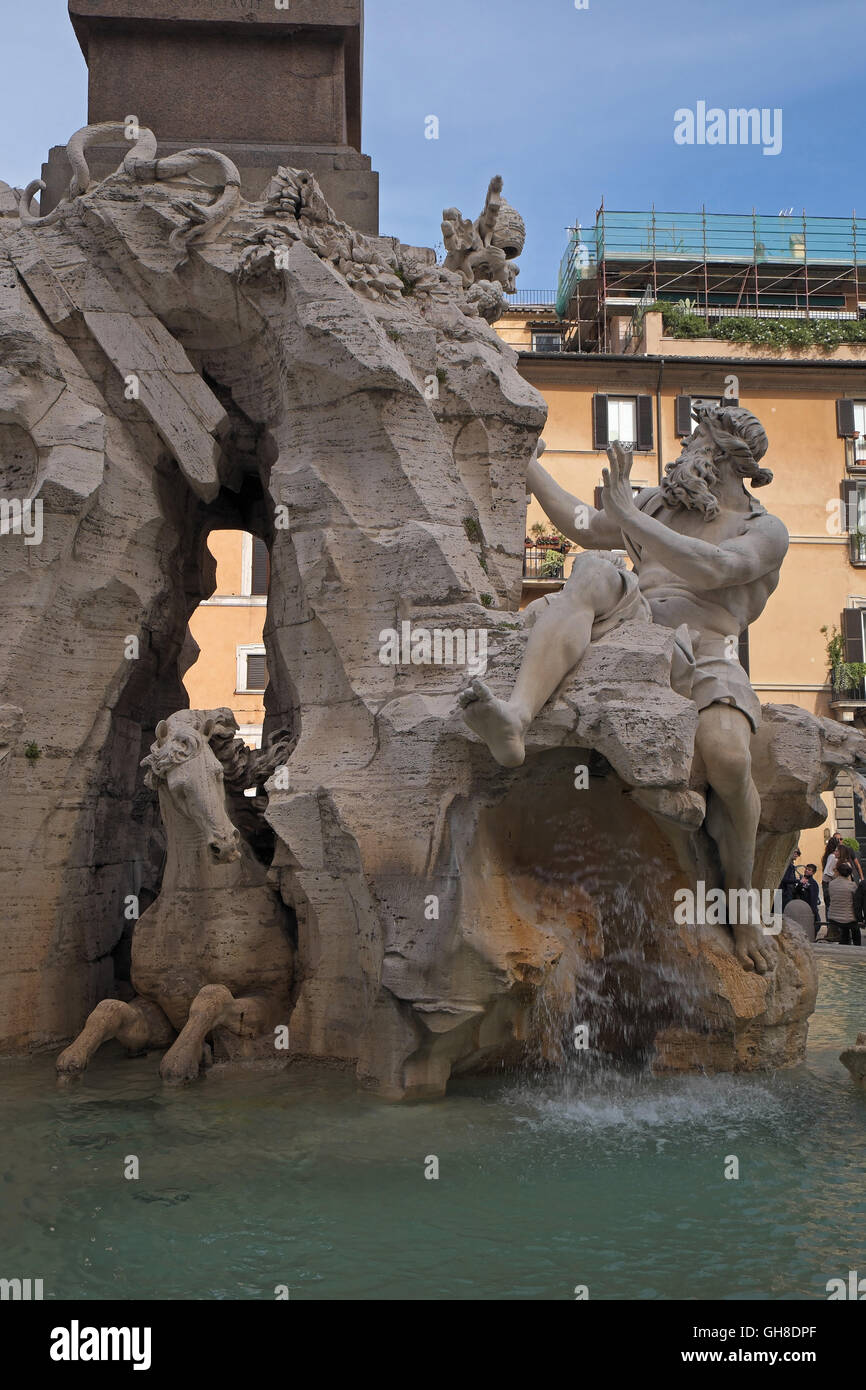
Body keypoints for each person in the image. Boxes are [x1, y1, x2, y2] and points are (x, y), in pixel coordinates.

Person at [460, 404, 788, 975]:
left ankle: (741, 903)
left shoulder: (762, 530)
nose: (682, 453)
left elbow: (713, 569)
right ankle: (515, 716)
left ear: (726, 458)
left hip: (709, 649)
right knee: (590, 569)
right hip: (638, 622)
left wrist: (631, 520)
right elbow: (584, 523)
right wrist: (529, 467)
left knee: (730, 760)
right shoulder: (662, 506)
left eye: (694, 444)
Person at [827, 862, 860, 946]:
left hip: (833, 916)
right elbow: (856, 901)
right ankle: (857, 948)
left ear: (838, 872)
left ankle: (844, 944)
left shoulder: (831, 884)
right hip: (848, 918)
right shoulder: (852, 885)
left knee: (845, 931)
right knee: (855, 931)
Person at [792, 864, 821, 939]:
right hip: (800, 908)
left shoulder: (813, 883)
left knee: (816, 924)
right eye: (806, 869)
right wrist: (800, 883)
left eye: (809, 870)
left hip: (809, 908)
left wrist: (812, 910)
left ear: (813, 873)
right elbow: (796, 891)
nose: (806, 871)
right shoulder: (802, 881)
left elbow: (813, 898)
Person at [822, 835, 840, 918]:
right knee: (830, 905)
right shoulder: (833, 856)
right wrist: (836, 877)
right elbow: (828, 871)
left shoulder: (828, 855)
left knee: (828, 905)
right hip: (829, 883)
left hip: (827, 882)